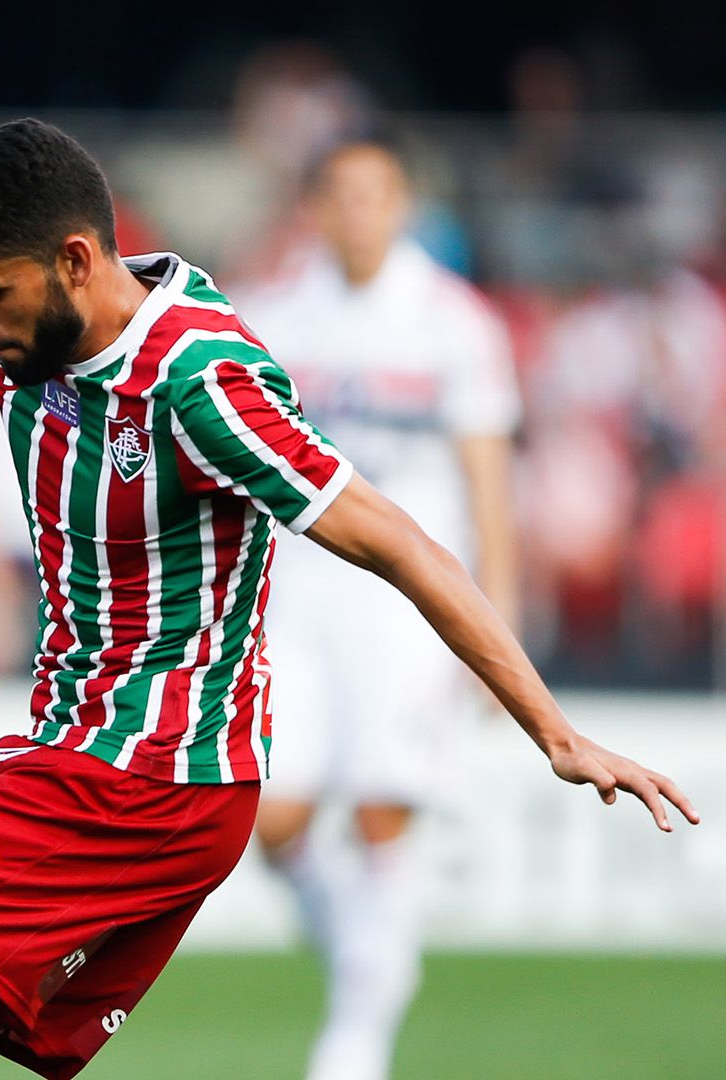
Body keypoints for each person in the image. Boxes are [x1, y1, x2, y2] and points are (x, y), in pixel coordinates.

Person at [0, 116, 699, 1080]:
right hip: (85, 753)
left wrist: (554, 732)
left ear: (74, 260)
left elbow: (400, 541)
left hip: (145, 776)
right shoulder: (29, 313)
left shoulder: (200, 382)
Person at [238, 139, 520, 1080]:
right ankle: (369, 964)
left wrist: (496, 623)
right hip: (295, 593)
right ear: (315, 208)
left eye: (377, 194)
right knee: (272, 818)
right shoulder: (275, 315)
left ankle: (356, 1038)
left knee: (380, 810)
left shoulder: (454, 321)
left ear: (403, 204)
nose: (359, 211)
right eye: (343, 195)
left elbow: (488, 480)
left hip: (408, 604)